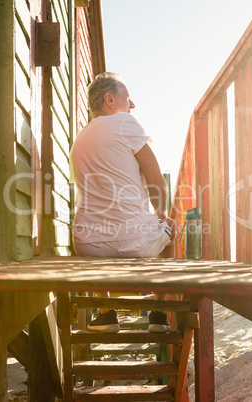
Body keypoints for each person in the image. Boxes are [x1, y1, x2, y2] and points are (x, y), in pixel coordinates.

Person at [70, 72, 175, 333]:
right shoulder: (123, 122)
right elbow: (155, 179)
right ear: (109, 99)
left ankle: (106, 314)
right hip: (132, 241)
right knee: (170, 233)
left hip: (87, 243)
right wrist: (161, 214)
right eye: (127, 98)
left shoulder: (78, 141)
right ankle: (159, 315)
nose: (132, 105)